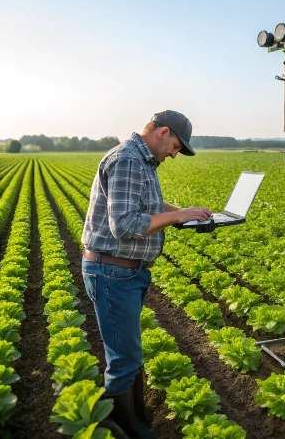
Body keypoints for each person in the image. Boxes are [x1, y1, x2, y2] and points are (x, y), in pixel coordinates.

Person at [81, 110, 212, 438]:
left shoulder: (141, 160)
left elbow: (147, 204)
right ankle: (120, 424)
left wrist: (184, 213)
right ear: (162, 132)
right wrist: (179, 215)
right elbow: (124, 225)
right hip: (112, 270)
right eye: (177, 147)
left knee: (128, 350)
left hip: (124, 271)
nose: (174, 154)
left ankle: (134, 417)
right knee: (124, 355)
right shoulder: (128, 160)